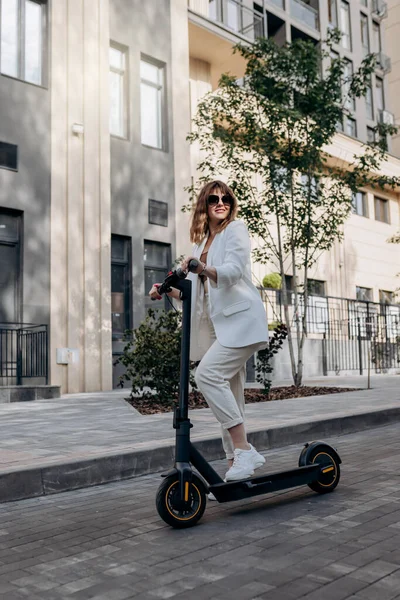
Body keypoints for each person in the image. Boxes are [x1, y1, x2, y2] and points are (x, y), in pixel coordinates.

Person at [149, 180, 269, 482]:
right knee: (230, 394)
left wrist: (200, 269)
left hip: (241, 322)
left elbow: (232, 272)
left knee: (207, 376)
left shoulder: (235, 230)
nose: (221, 203)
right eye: (214, 198)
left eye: (226, 198)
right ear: (205, 204)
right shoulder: (200, 245)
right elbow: (201, 294)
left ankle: (244, 451)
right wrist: (167, 292)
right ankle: (234, 467)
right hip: (220, 327)